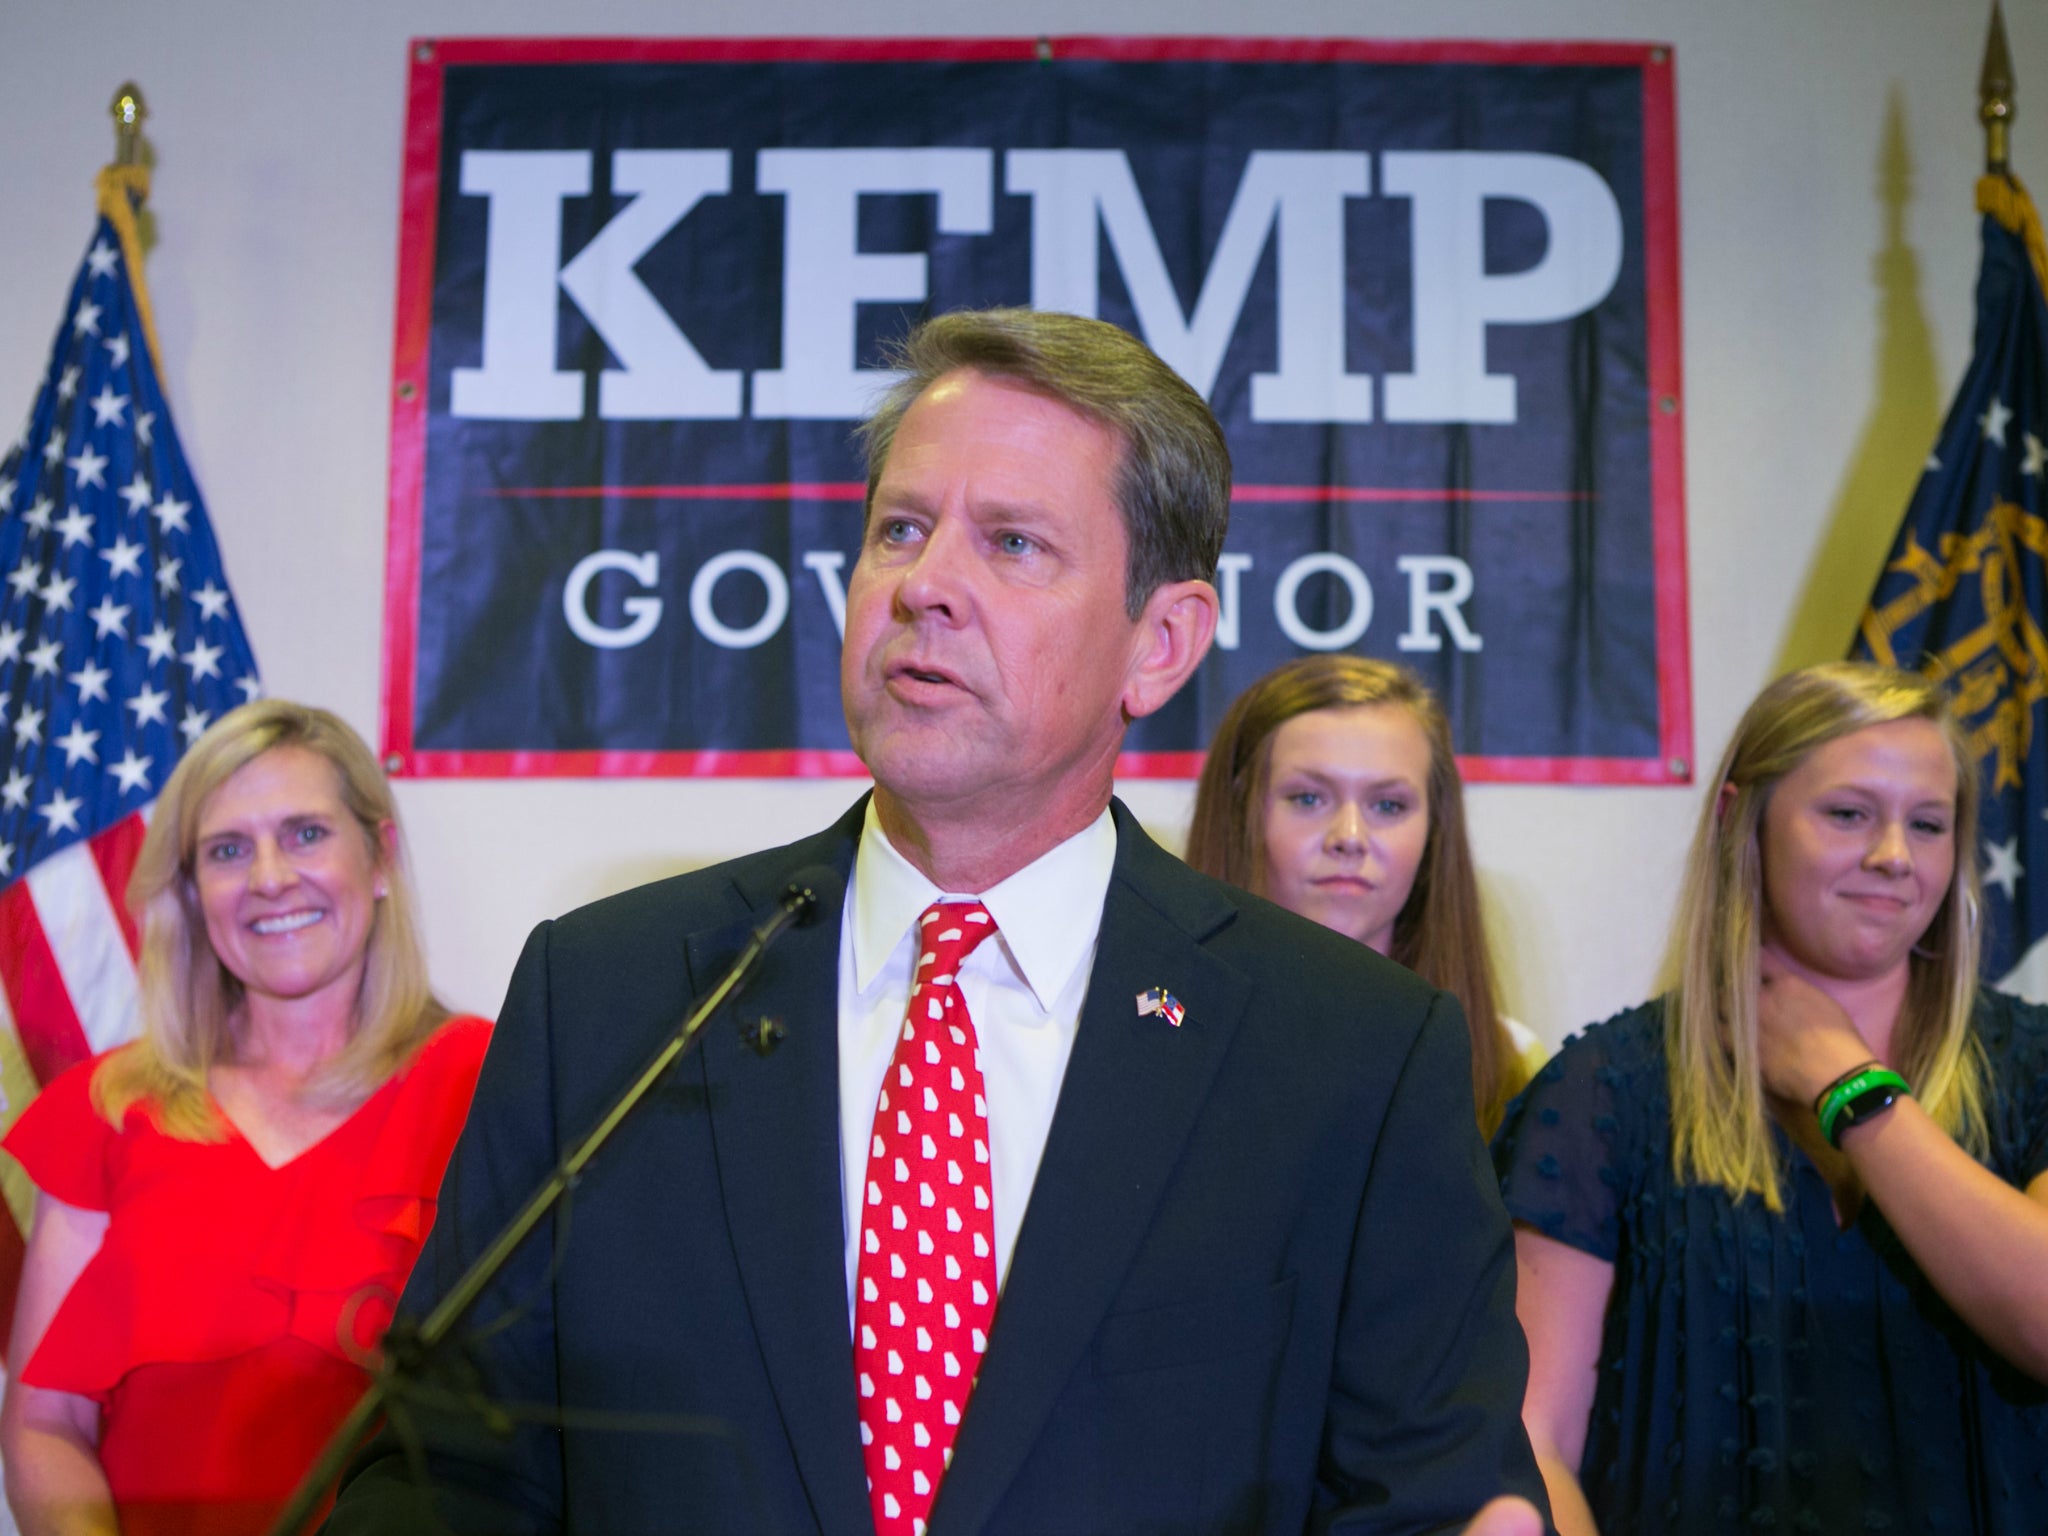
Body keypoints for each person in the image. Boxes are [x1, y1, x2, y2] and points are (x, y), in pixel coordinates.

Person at [329, 308, 1548, 1536]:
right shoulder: (606, 997)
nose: (924, 587)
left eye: (1012, 543)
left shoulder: (1347, 1054)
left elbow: (1428, 1497)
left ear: (1160, 643)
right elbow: (443, 1482)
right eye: (899, 530)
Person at [1497, 661, 2048, 1534]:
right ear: (1740, 819)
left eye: (1929, 824)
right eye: (1848, 814)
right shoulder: (1608, 1086)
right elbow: (1530, 1443)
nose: (1893, 856)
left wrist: (1849, 1086)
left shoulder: (2036, 1068)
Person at [0, 701, 490, 1536]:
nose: (269, 877)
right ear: (190, 891)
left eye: (304, 833)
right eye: (228, 850)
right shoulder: (107, 1106)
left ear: (380, 855)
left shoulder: (484, 1082)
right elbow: (46, 1427)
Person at [1186, 654, 1542, 1134]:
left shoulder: (1513, 1064)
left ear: (1435, 830)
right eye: (1308, 798)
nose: (1349, 836)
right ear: (1237, 816)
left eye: (1388, 805)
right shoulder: (1158, 1030)